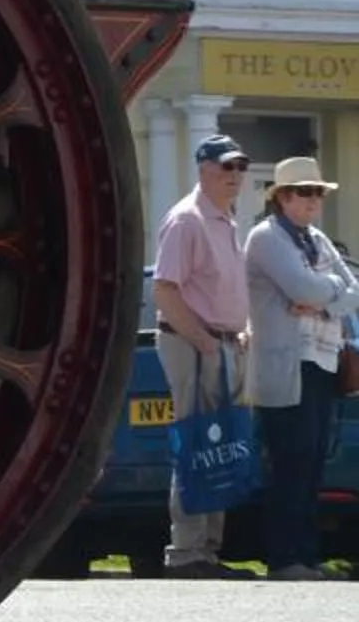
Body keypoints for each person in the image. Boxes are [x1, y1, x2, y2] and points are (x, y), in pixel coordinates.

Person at [240, 157, 359, 582]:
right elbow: (305, 287)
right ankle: (285, 556)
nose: (313, 201)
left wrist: (319, 296)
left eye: (318, 193)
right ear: (283, 197)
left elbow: (355, 292)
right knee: (289, 460)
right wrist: (327, 292)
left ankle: (307, 556)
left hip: (323, 361)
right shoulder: (266, 238)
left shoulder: (319, 241)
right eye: (304, 193)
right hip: (286, 365)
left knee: (311, 463)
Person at [151, 133, 257, 578]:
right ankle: (187, 551)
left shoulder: (224, 218)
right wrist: (204, 341)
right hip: (195, 343)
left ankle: (208, 550)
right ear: (203, 168)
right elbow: (164, 289)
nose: (234, 176)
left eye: (239, 168)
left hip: (224, 343)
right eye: (225, 167)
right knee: (199, 443)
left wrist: (241, 330)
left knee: (224, 446)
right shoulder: (187, 220)